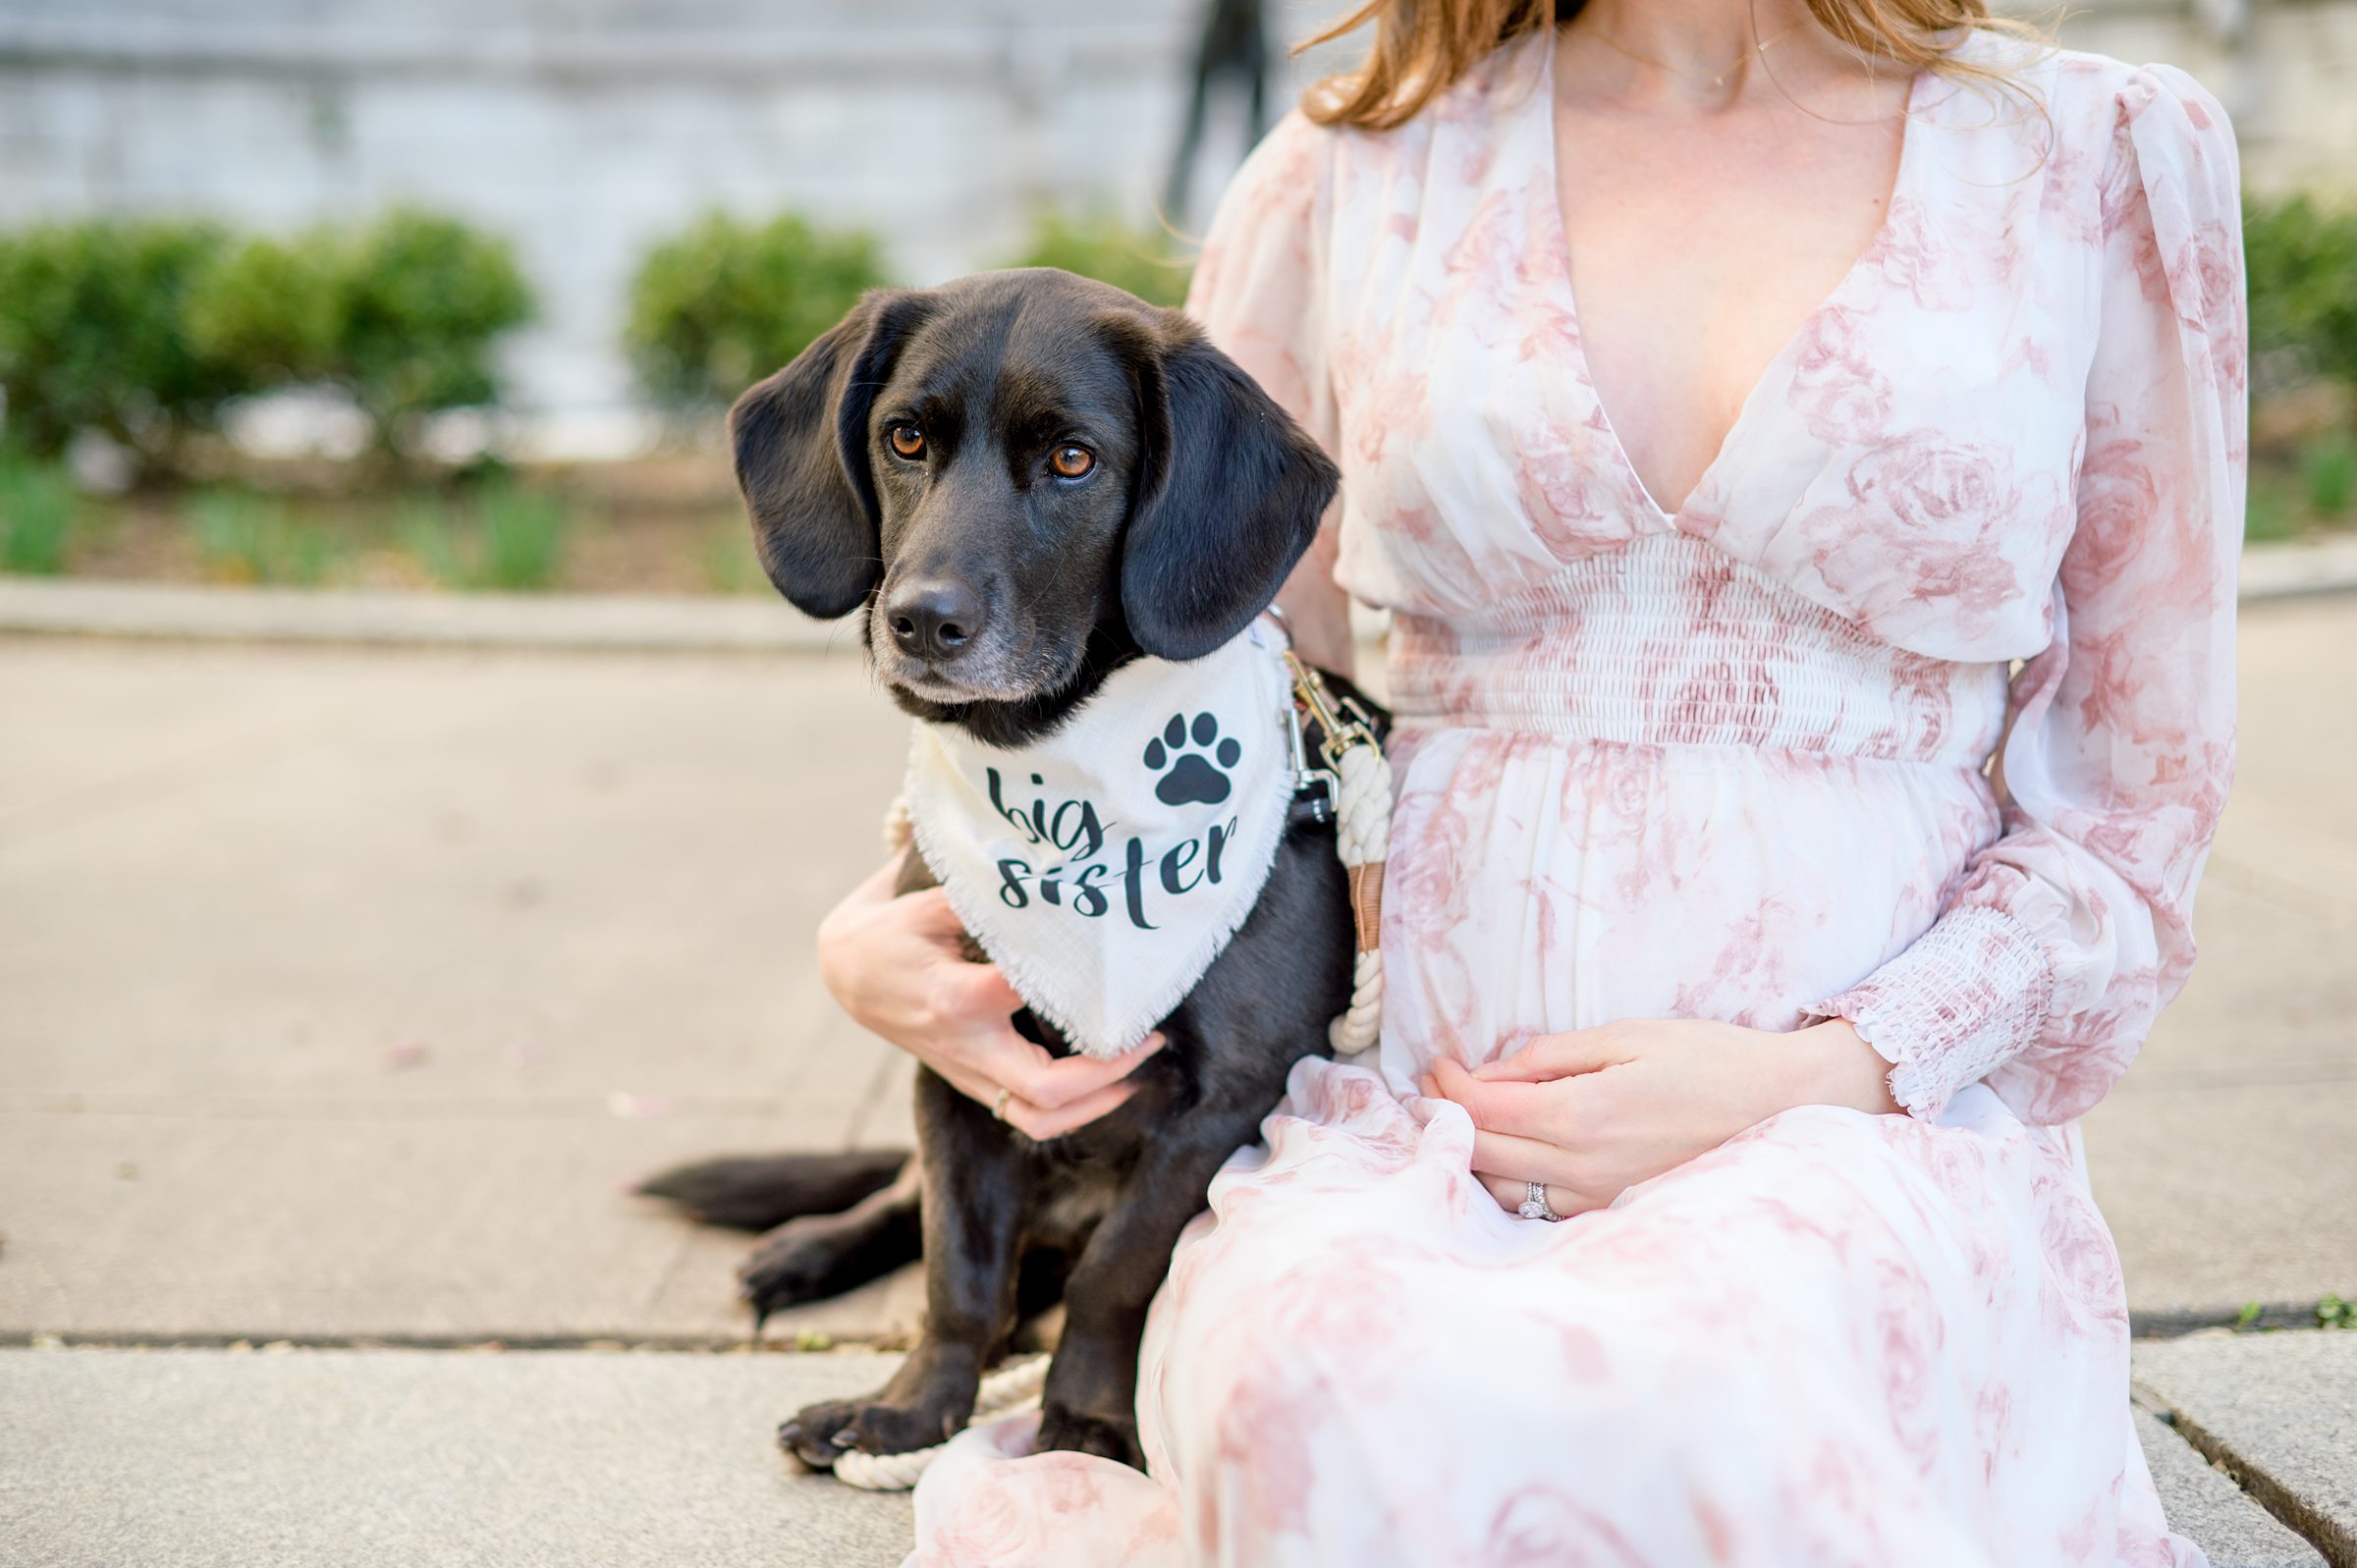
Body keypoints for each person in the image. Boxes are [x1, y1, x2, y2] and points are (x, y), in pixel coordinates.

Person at [820, 0, 2247, 1559]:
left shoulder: (2088, 154)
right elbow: (1182, 676)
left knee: (1714, 1402)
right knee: (1319, 1398)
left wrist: (1832, 1070)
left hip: (1877, 1124)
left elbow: (2134, 803)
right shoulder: (1352, 173)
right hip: (1376, 1110)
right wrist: (892, 914)